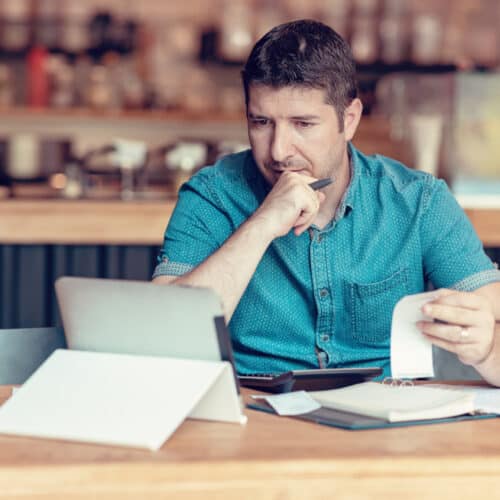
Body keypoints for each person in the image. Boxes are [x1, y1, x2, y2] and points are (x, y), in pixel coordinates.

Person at [153, 19, 500, 384]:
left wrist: (488, 349)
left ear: (349, 120)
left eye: (303, 124)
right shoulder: (211, 195)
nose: (279, 151)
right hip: (254, 420)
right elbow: (163, 338)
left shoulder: (418, 202)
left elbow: (491, 312)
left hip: (386, 424)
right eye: (261, 122)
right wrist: (262, 225)